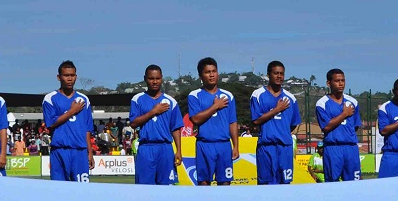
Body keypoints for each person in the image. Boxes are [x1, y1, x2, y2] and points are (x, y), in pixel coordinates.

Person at [188, 57, 239, 185]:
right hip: (204, 145)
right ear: (201, 75)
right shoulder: (194, 95)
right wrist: (215, 106)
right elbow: (195, 119)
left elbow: (232, 122)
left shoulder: (228, 96)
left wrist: (236, 146)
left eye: (214, 71)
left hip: (224, 145)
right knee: (204, 183)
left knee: (225, 183)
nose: (211, 75)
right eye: (207, 72)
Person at [129, 64, 183, 185]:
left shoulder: (171, 101)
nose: (154, 81)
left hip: (165, 149)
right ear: (145, 79)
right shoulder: (137, 99)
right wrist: (153, 111)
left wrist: (179, 150)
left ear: (162, 79)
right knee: (144, 189)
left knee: (166, 189)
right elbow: (133, 123)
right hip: (146, 148)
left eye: (157, 78)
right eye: (151, 78)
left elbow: (175, 128)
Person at [250, 61, 301, 185]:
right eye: (276, 73)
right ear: (268, 75)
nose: (279, 76)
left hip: (285, 147)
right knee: (265, 184)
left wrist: (281, 132)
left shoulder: (291, 98)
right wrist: (277, 110)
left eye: (282, 74)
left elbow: (294, 124)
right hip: (266, 146)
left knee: (285, 183)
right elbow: (256, 120)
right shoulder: (258, 95)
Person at [42, 60, 95, 182]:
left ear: (76, 77)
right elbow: (51, 123)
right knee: (59, 191)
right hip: (59, 150)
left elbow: (87, 129)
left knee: (82, 191)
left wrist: (90, 152)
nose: (70, 79)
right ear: (59, 77)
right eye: (66, 75)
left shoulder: (84, 99)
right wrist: (71, 111)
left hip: (80, 151)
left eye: (72, 75)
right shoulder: (50, 98)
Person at [315, 68, 362, 182]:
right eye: (337, 81)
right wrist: (344, 114)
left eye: (343, 80)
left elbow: (355, 126)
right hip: (333, 148)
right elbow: (326, 127)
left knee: (354, 184)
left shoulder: (353, 102)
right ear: (328, 83)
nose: (341, 83)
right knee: (332, 184)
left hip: (350, 148)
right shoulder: (322, 103)